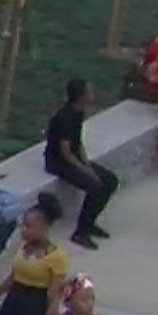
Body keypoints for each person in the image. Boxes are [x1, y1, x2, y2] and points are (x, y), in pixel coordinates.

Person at [41, 79, 116, 249]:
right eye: (89, 92)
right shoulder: (64, 117)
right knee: (95, 187)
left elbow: (78, 142)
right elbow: (65, 151)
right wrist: (85, 170)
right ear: (80, 96)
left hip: (74, 158)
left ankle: (90, 223)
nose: (92, 94)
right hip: (59, 162)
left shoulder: (78, 112)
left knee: (110, 180)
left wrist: (87, 164)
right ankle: (80, 232)